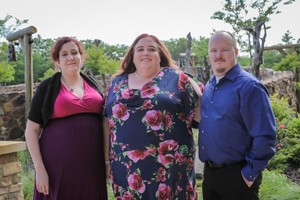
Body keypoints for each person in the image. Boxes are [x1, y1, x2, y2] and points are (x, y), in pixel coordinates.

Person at [103, 33, 202, 199]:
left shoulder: (177, 79)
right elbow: (106, 121)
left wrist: (182, 74)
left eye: (152, 49)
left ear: (160, 55)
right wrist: (106, 160)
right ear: (132, 56)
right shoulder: (116, 83)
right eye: (140, 49)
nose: (145, 53)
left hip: (170, 169)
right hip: (126, 169)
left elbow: (201, 110)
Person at [25, 36, 107, 200]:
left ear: (81, 57)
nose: (71, 58)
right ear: (57, 61)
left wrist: (106, 161)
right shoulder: (47, 87)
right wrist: (40, 169)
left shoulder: (92, 84)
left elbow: (105, 122)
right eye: (64, 54)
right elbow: (31, 130)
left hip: (92, 164)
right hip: (57, 165)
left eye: (74, 53)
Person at [198, 30, 276, 200]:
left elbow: (265, 135)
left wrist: (249, 174)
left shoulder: (249, 87)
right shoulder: (210, 86)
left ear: (236, 52)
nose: (218, 55)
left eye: (224, 49)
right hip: (210, 175)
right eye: (213, 50)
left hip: (238, 177)